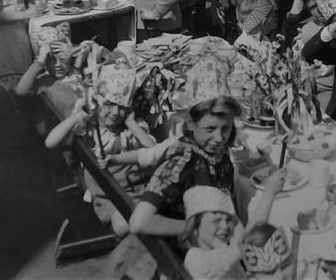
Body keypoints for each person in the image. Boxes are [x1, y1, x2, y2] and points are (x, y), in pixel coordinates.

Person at [44, 66, 156, 236]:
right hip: (108, 195)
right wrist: (76, 116)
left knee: (149, 214)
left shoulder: (131, 128)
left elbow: (154, 151)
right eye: (109, 105)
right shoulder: (88, 126)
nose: (116, 113)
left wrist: (132, 124)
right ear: (97, 101)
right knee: (123, 226)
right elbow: (50, 142)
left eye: (122, 107)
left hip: (136, 187)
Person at [129, 96, 243, 237]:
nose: (219, 138)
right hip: (183, 249)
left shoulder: (219, 153)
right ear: (190, 124)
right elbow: (139, 223)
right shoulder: (184, 159)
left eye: (226, 128)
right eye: (210, 129)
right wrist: (201, 229)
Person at [181, 177, 288, 280]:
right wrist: (269, 193)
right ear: (195, 228)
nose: (225, 226)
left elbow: (248, 232)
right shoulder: (193, 259)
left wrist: (270, 193)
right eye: (216, 220)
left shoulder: (224, 248)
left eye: (228, 220)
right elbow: (245, 241)